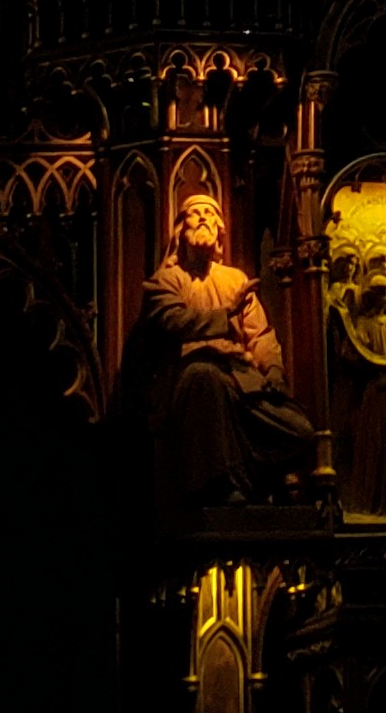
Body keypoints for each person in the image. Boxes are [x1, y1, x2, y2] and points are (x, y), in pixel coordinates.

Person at [135, 191, 316, 506]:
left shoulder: (235, 280)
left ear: (220, 229)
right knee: (205, 377)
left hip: (241, 380)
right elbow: (175, 322)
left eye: (210, 213)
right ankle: (219, 483)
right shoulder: (164, 281)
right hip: (189, 380)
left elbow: (260, 335)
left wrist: (273, 370)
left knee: (300, 433)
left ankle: (252, 478)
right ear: (181, 228)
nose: (204, 218)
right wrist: (226, 313)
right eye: (196, 213)